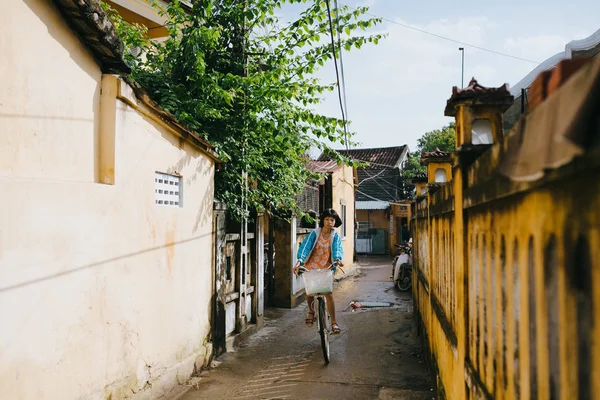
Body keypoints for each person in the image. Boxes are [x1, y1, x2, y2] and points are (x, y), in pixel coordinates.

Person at [293, 208, 345, 334]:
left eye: (332, 220)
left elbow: (338, 249)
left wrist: (338, 259)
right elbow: (305, 247)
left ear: (335, 222)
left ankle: (333, 323)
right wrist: (299, 260)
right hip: (311, 265)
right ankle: (311, 312)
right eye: (327, 219)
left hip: (327, 266)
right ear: (323, 220)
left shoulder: (335, 236)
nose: (329, 222)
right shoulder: (315, 233)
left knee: (328, 293)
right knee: (310, 291)